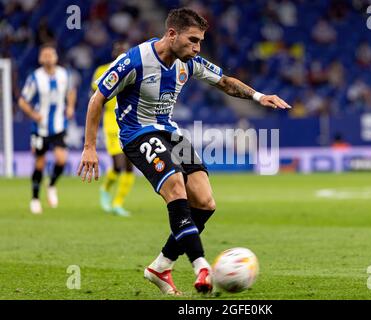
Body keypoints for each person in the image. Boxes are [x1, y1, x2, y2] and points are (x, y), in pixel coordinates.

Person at [78, 8, 290, 295]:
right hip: (137, 133)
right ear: (172, 34)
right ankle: (202, 267)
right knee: (176, 187)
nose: (197, 47)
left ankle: (160, 266)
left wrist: (258, 96)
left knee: (205, 202)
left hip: (170, 133)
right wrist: (90, 147)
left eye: (200, 41)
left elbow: (225, 82)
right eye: (193, 40)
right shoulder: (133, 60)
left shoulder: (188, 62)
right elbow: (97, 99)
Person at [18, 43, 76, 214]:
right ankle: (35, 198)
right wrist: (33, 114)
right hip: (40, 128)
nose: (49, 57)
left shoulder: (64, 74)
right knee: (40, 164)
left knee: (61, 160)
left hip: (58, 126)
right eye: (45, 54)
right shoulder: (35, 77)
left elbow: (71, 91)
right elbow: (22, 100)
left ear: (56, 57)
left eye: (51, 54)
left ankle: (51, 185)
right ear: (40, 59)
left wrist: (70, 106)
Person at [91, 41, 135, 217]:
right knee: (118, 165)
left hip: (130, 123)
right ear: (114, 54)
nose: (121, 54)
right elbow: (96, 97)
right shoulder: (102, 71)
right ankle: (105, 189)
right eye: (118, 51)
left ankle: (118, 203)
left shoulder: (136, 69)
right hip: (111, 123)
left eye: (124, 51)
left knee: (130, 166)